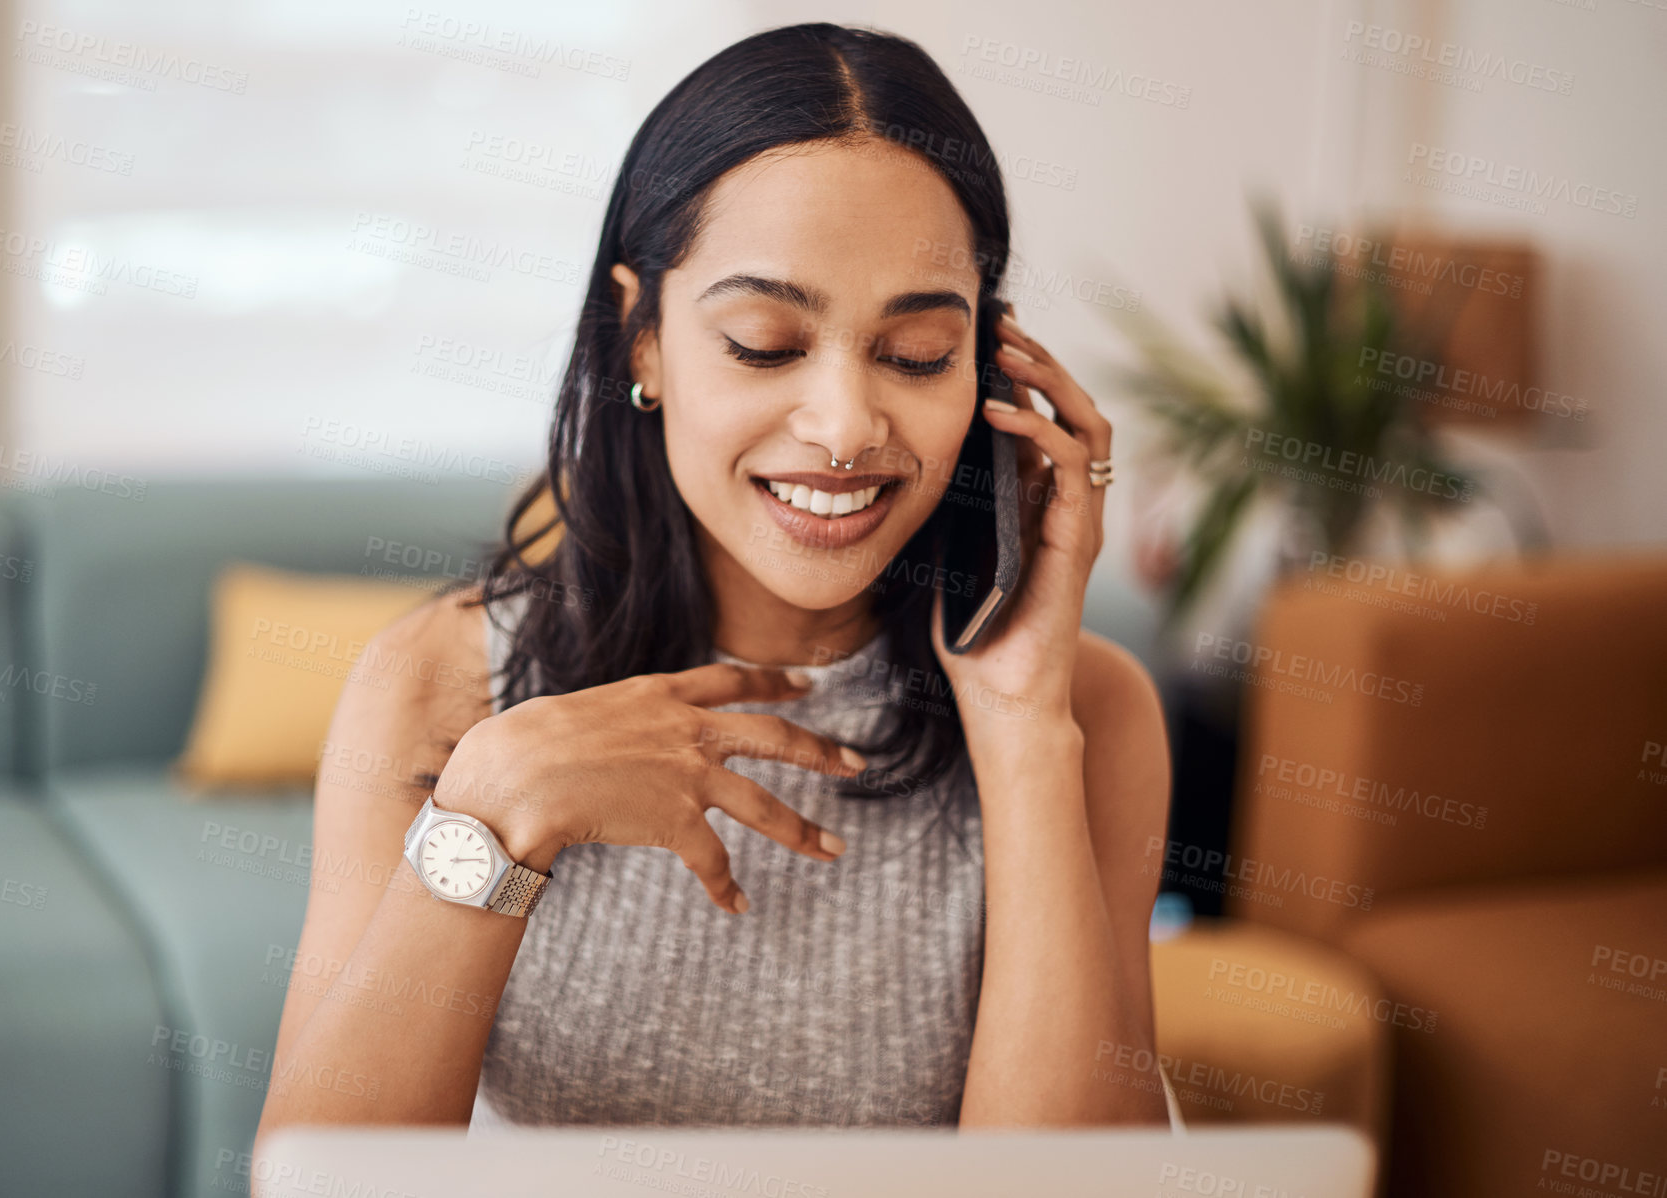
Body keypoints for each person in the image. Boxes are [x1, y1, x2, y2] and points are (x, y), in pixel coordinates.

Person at [254, 21, 1171, 1159]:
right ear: (642, 338)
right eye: (763, 342)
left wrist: (1024, 727)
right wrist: (496, 807)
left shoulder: (1096, 712)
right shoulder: (438, 682)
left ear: (989, 357)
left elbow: (1080, 1191)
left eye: (920, 353)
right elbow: (317, 1181)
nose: (845, 427)